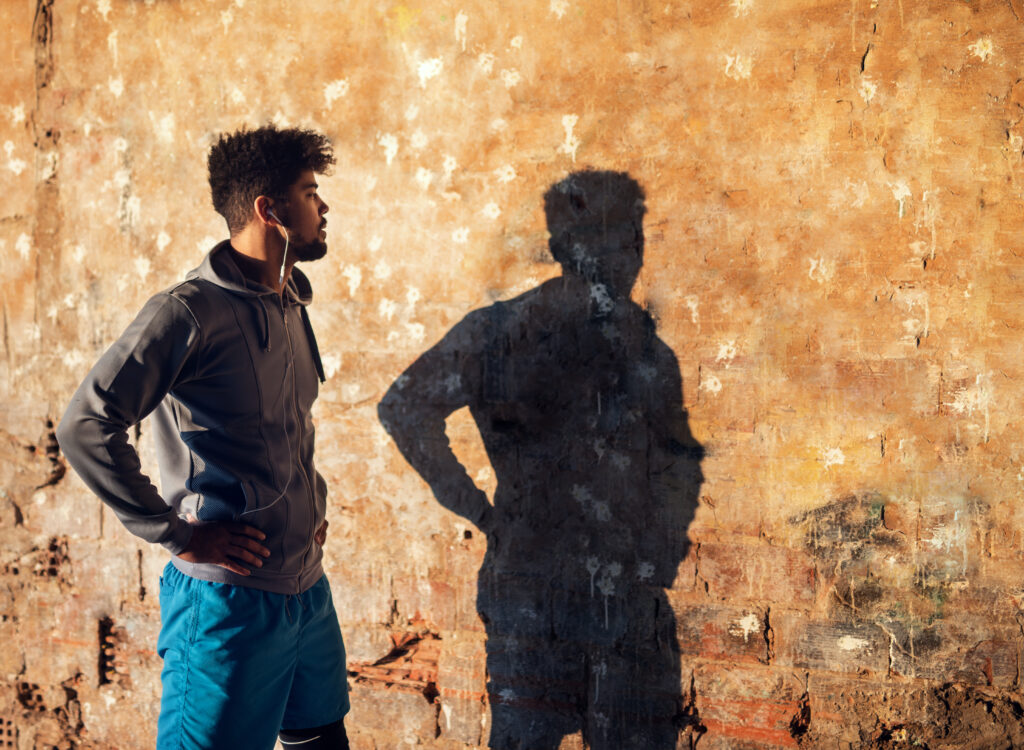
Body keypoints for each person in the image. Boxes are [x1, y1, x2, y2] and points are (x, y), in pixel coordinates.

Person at [379, 171, 704, 749]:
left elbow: (679, 462)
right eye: (614, 239)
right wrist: (476, 508)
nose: (628, 255)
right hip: (545, 592)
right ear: (564, 248)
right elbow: (404, 408)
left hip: (605, 593)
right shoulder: (507, 334)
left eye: (632, 238)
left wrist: (660, 553)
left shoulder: (639, 347)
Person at [56, 125, 350, 750]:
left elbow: (289, 431)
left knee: (321, 741)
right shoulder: (188, 313)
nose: (323, 207)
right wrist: (177, 535)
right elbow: (85, 425)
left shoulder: (290, 299)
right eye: (310, 191)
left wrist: (312, 509)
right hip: (227, 606)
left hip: (306, 591)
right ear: (269, 210)